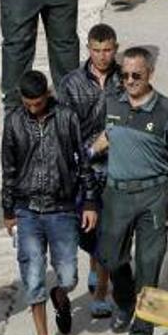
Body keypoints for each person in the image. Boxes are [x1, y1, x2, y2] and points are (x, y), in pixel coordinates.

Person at [91, 47, 168, 335]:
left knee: (148, 269)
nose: (130, 81)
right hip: (117, 195)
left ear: (150, 74)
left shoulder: (166, 110)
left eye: (137, 75)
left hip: (153, 196)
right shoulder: (111, 102)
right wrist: (90, 149)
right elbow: (106, 136)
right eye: (124, 76)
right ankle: (124, 301)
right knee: (110, 257)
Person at [1, 70, 100, 335]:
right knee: (32, 276)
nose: (34, 108)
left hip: (62, 208)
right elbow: (8, 168)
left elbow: (82, 162)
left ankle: (61, 295)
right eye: (28, 104)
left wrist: (90, 201)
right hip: (27, 209)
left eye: (39, 102)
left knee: (69, 275)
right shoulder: (14, 122)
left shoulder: (66, 118)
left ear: (47, 95)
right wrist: (8, 211)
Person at [56, 23, 121, 319]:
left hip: (117, 167)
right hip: (84, 167)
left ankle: (100, 292)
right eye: (97, 50)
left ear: (115, 48)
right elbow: (64, 126)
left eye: (108, 50)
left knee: (109, 232)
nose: (103, 56)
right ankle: (95, 266)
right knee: (87, 231)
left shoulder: (126, 79)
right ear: (88, 49)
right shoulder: (71, 84)